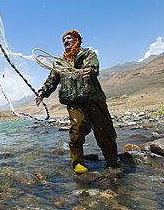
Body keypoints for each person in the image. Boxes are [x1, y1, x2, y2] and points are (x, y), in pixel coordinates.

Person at [34, 29, 119, 174]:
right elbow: (51, 81)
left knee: (105, 132)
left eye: (69, 38)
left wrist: (90, 70)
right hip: (74, 102)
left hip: (94, 100)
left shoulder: (87, 54)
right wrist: (42, 92)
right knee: (77, 130)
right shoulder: (59, 63)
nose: (65, 41)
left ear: (77, 40)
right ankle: (77, 163)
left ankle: (112, 161)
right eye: (63, 40)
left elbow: (93, 65)